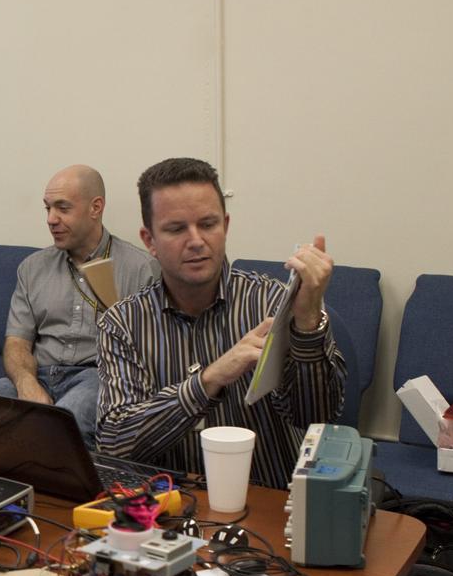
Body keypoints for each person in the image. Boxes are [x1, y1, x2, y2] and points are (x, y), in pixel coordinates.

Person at [96, 157, 347, 489]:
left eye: (208, 224)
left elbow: (317, 416)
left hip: (266, 501)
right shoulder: (122, 324)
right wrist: (208, 380)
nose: (197, 240)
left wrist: (307, 324)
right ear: (149, 240)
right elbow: (115, 445)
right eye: (176, 229)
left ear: (225, 226)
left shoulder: (270, 303)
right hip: (172, 511)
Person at [0, 165, 156, 446]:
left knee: (60, 424)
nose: (51, 219)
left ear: (96, 208)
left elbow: (150, 356)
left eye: (62, 208)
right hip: (40, 375)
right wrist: (26, 384)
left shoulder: (141, 269)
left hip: (98, 378)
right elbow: (17, 344)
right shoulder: (33, 268)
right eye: (47, 209)